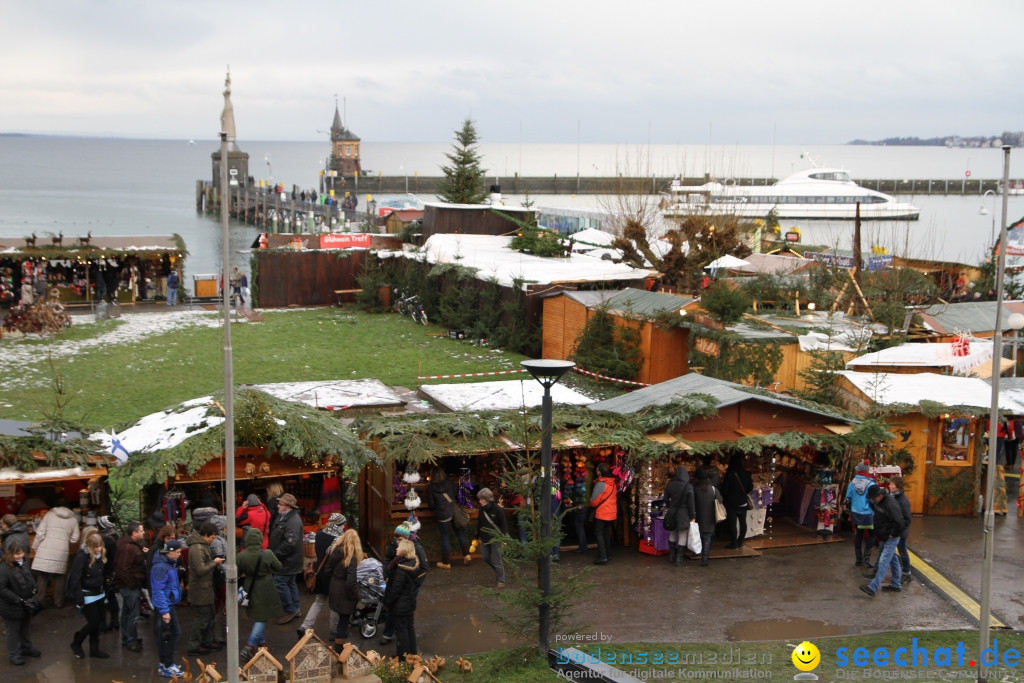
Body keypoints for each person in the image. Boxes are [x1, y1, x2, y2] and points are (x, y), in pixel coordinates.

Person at [298, 513, 346, 640]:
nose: (344, 527)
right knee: (334, 604)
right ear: (338, 525)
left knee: (319, 602)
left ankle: (305, 626)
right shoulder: (340, 539)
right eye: (342, 525)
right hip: (334, 575)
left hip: (321, 573)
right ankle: (334, 631)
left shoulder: (319, 535)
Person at [237, 528, 282, 662]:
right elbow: (278, 567)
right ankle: (249, 645)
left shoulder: (241, 555)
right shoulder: (267, 553)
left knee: (259, 615)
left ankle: (261, 646)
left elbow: (237, 572)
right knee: (262, 617)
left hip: (249, 586)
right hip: (266, 587)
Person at [185, 521, 225, 656]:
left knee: (209, 616)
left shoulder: (202, 546)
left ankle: (207, 641)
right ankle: (194, 646)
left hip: (206, 588)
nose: (213, 541)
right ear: (205, 535)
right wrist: (214, 562)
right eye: (212, 538)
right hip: (201, 590)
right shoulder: (197, 548)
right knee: (201, 619)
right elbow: (199, 570)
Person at [67, 533, 110, 660]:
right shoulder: (82, 557)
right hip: (87, 595)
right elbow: (75, 578)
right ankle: (77, 642)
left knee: (98, 624)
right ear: (90, 546)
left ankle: (94, 649)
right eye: (95, 547)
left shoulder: (100, 556)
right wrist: (79, 598)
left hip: (99, 593)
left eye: (100, 546)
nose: (98, 549)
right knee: (93, 622)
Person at [860, 484, 908, 597]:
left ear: (880, 495)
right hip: (885, 535)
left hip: (891, 536)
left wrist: (892, 533)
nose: (872, 500)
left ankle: (873, 587)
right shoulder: (881, 502)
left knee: (883, 561)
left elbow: (899, 522)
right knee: (893, 559)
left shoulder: (890, 504)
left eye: (873, 498)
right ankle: (896, 584)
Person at [31, 498, 80, 608]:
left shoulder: (49, 514)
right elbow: (75, 538)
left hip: (45, 548)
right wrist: (67, 539)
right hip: (62, 550)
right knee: (59, 577)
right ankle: (58, 602)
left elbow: (40, 533)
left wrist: (35, 546)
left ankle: (39, 601)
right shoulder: (73, 519)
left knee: (42, 576)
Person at [0, 542, 40, 666]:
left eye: (21, 553)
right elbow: (1, 588)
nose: (19, 556)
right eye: (16, 554)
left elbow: (29, 578)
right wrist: (16, 599)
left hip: (26, 604)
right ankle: (14, 654)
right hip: (11, 606)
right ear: (10, 554)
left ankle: (27, 648)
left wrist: (34, 588)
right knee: (13, 631)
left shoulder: (23, 563)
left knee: (25, 628)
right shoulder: (4, 569)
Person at [382, 539, 423, 659]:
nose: (396, 548)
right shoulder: (412, 563)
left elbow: (395, 590)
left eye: (398, 547)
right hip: (409, 603)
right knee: (409, 628)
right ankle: (412, 654)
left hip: (400, 605)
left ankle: (403, 658)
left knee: (401, 631)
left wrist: (387, 603)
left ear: (404, 550)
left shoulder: (400, 569)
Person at [150, 539, 185, 678]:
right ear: (169, 552)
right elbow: (158, 590)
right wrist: (164, 611)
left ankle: (166, 663)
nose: (179, 555)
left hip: (167, 605)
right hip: (165, 606)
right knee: (171, 634)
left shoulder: (168, 563)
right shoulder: (161, 567)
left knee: (169, 634)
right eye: (177, 552)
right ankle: (167, 665)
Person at [268, 492, 303, 624]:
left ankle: (290, 610)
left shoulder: (292, 521)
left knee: (280, 583)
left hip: (287, 561)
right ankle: (295, 608)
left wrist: (275, 555)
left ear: (288, 506)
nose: (278, 506)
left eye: (280, 504)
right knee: (290, 583)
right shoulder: (285, 517)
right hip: (289, 560)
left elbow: (290, 542)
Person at [114, 521, 148, 653]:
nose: (143, 532)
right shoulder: (128, 548)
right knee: (132, 614)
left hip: (129, 585)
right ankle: (131, 640)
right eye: (141, 531)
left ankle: (127, 638)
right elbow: (123, 569)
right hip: (129, 586)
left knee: (127, 612)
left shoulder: (131, 546)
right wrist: (133, 583)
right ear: (134, 533)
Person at [325, 528, 361, 653]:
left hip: (334, 587)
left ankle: (336, 639)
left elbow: (327, 570)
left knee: (337, 614)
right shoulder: (352, 557)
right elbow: (351, 581)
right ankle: (339, 648)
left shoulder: (336, 551)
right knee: (344, 620)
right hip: (344, 592)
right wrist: (357, 595)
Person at [426, 467, 469, 570]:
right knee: (459, 532)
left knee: (445, 537)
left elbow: (431, 505)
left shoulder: (431, 488)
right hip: (453, 511)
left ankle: (446, 562)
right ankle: (467, 555)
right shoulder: (449, 482)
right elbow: (455, 494)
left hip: (442, 514)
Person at [663, 465, 696, 567]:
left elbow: (665, 499)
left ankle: (672, 555)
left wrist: (670, 506)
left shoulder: (670, 484)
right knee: (682, 535)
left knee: (672, 533)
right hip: (684, 514)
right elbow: (691, 504)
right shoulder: (688, 486)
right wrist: (692, 516)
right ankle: (679, 558)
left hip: (672, 512)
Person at [475, 488, 508, 587]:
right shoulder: (481, 509)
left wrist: (503, 538)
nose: (480, 501)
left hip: (496, 537)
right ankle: (499, 572)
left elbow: (503, 525)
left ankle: (501, 580)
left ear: (487, 499)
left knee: (497, 559)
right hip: (484, 537)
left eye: (481, 499)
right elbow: (479, 522)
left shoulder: (498, 510)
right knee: (485, 557)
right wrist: (476, 535)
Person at [845, 463, 876, 567]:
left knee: (858, 535)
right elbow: (873, 500)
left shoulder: (852, 483)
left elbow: (848, 499)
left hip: (856, 513)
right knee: (872, 534)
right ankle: (866, 560)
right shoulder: (871, 485)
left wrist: (851, 511)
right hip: (868, 514)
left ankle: (858, 560)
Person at [721, 454, 754, 549]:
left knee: (732, 523)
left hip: (731, 503)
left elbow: (724, 490)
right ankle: (741, 541)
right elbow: (750, 488)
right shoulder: (747, 474)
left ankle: (734, 543)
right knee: (743, 522)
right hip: (743, 502)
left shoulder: (729, 474)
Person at [693, 472, 724, 567]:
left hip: (698, 518)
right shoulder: (713, 490)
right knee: (707, 538)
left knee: (698, 537)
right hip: (710, 518)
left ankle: (697, 552)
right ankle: (704, 559)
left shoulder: (695, 490)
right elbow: (721, 500)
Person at [589, 463, 618, 565]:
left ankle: (603, 556)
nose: (596, 472)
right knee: (606, 532)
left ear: (600, 472)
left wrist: (591, 503)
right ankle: (608, 554)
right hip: (611, 512)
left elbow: (594, 501)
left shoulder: (601, 484)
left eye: (597, 470)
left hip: (602, 512)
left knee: (599, 533)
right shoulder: (613, 483)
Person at [96, 515, 119, 632]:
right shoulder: (116, 536)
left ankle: (103, 625)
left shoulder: (105, 541)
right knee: (111, 596)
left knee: (102, 598)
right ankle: (115, 621)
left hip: (106, 572)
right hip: (114, 571)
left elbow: (102, 558)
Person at [891, 476, 913, 582]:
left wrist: (899, 529)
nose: (890, 486)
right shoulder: (893, 497)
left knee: (902, 551)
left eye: (892, 485)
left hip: (900, 531)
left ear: (898, 487)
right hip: (895, 530)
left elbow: (907, 518)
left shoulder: (903, 501)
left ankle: (906, 572)